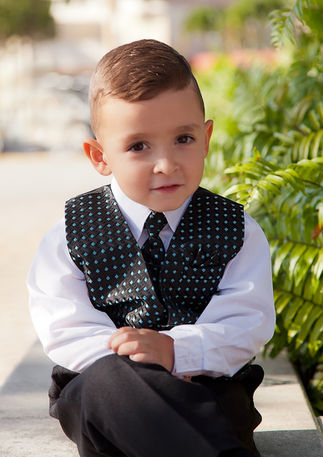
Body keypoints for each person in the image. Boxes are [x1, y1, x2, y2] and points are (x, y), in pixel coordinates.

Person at [27, 39, 275, 457]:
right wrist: (146, 369)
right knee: (107, 386)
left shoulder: (237, 230)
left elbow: (246, 321)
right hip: (108, 392)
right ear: (99, 156)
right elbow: (66, 327)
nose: (166, 163)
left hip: (208, 387)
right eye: (139, 146)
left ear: (207, 137)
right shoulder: (70, 234)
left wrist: (179, 352)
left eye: (183, 138)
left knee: (223, 406)